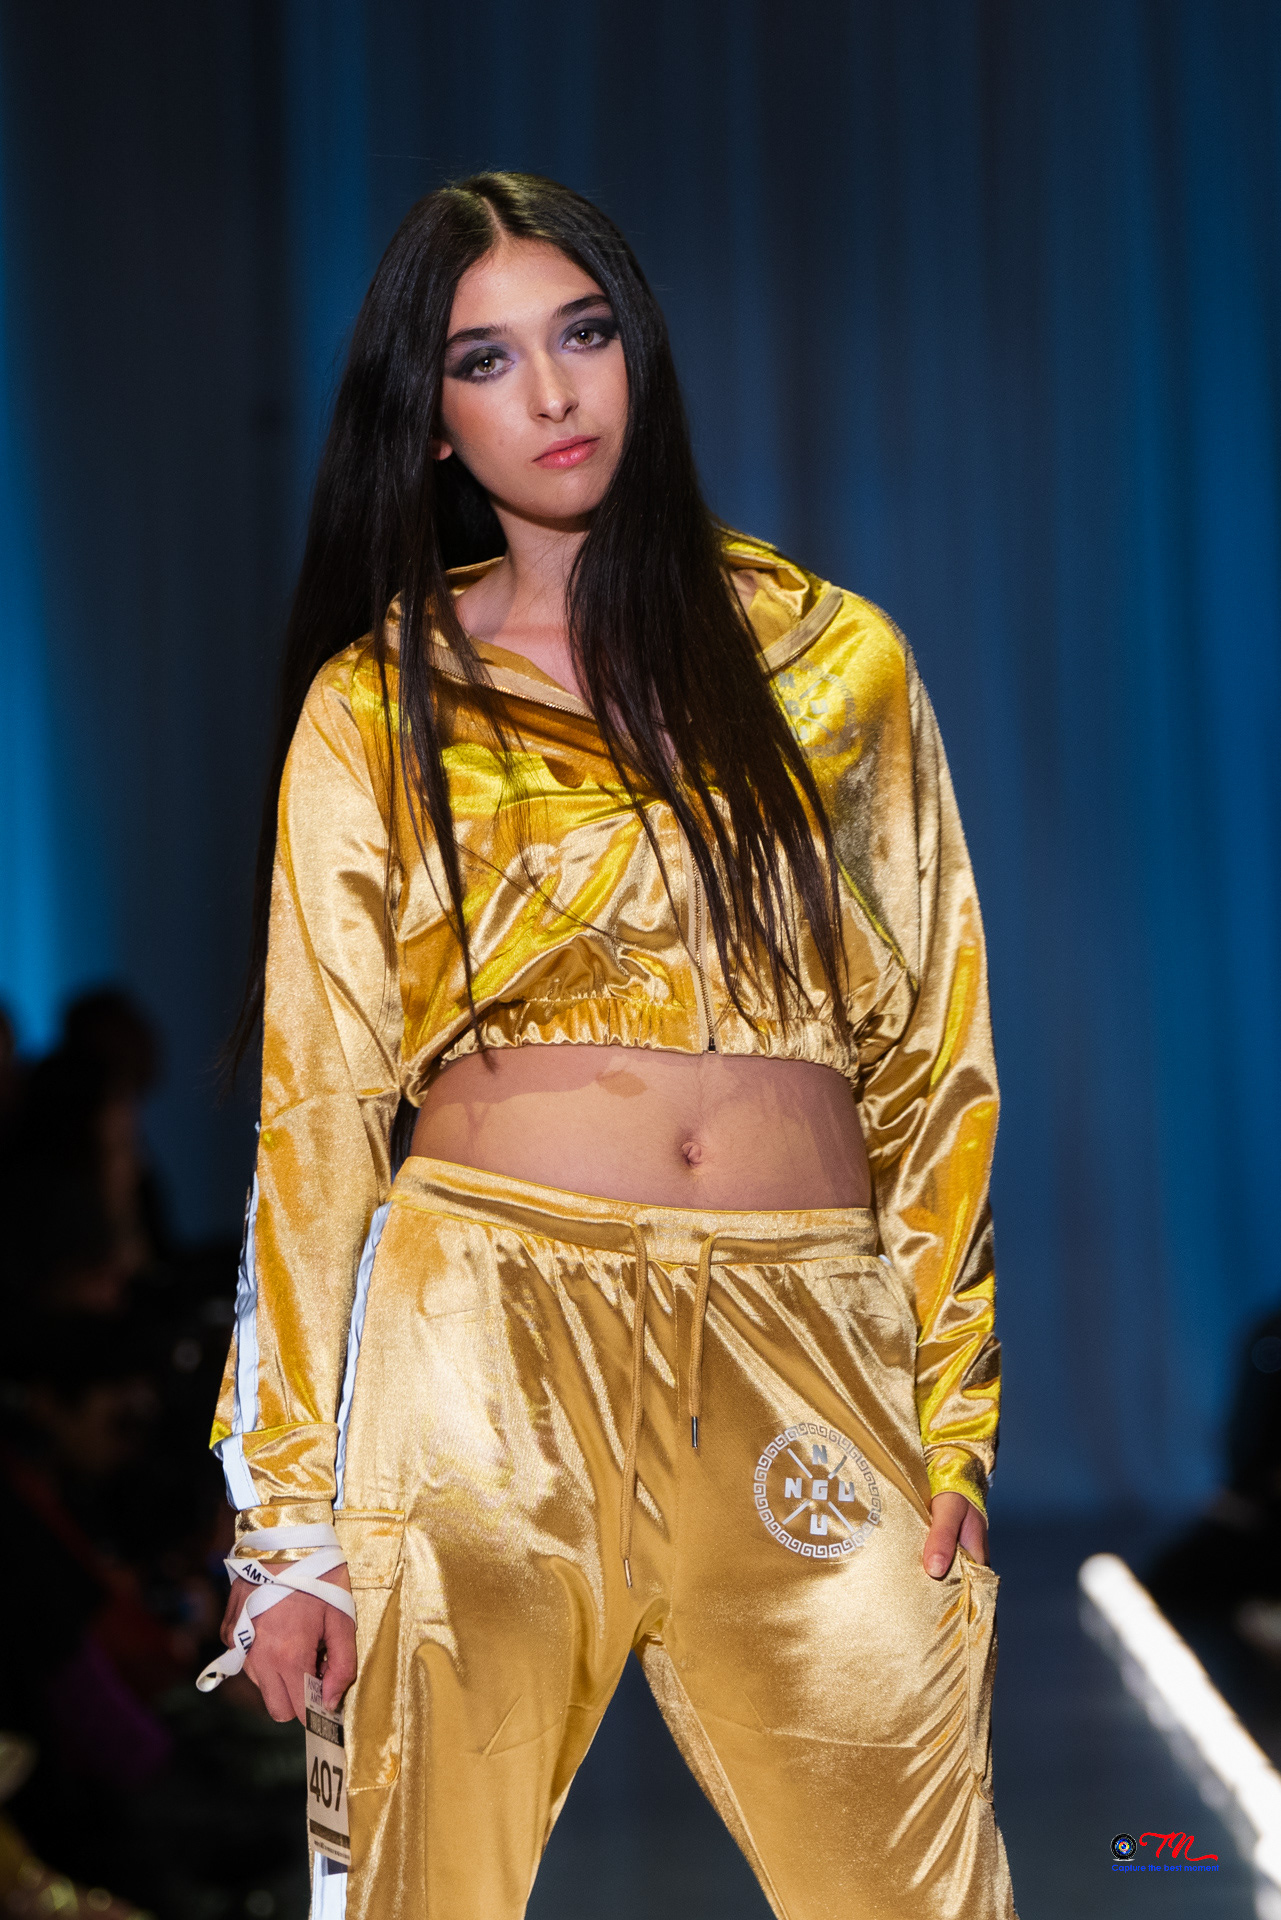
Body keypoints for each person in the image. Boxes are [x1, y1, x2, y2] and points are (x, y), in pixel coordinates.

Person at [202, 172, 1014, 1919]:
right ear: (429, 419)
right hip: (481, 1346)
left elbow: (932, 1055)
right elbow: (316, 1106)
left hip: (803, 1343)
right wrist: (286, 1523)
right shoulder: (380, 701)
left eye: (582, 334)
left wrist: (951, 1419)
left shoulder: (836, 662)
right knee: (423, 1884)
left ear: (639, 352)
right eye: (484, 358)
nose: (554, 391)